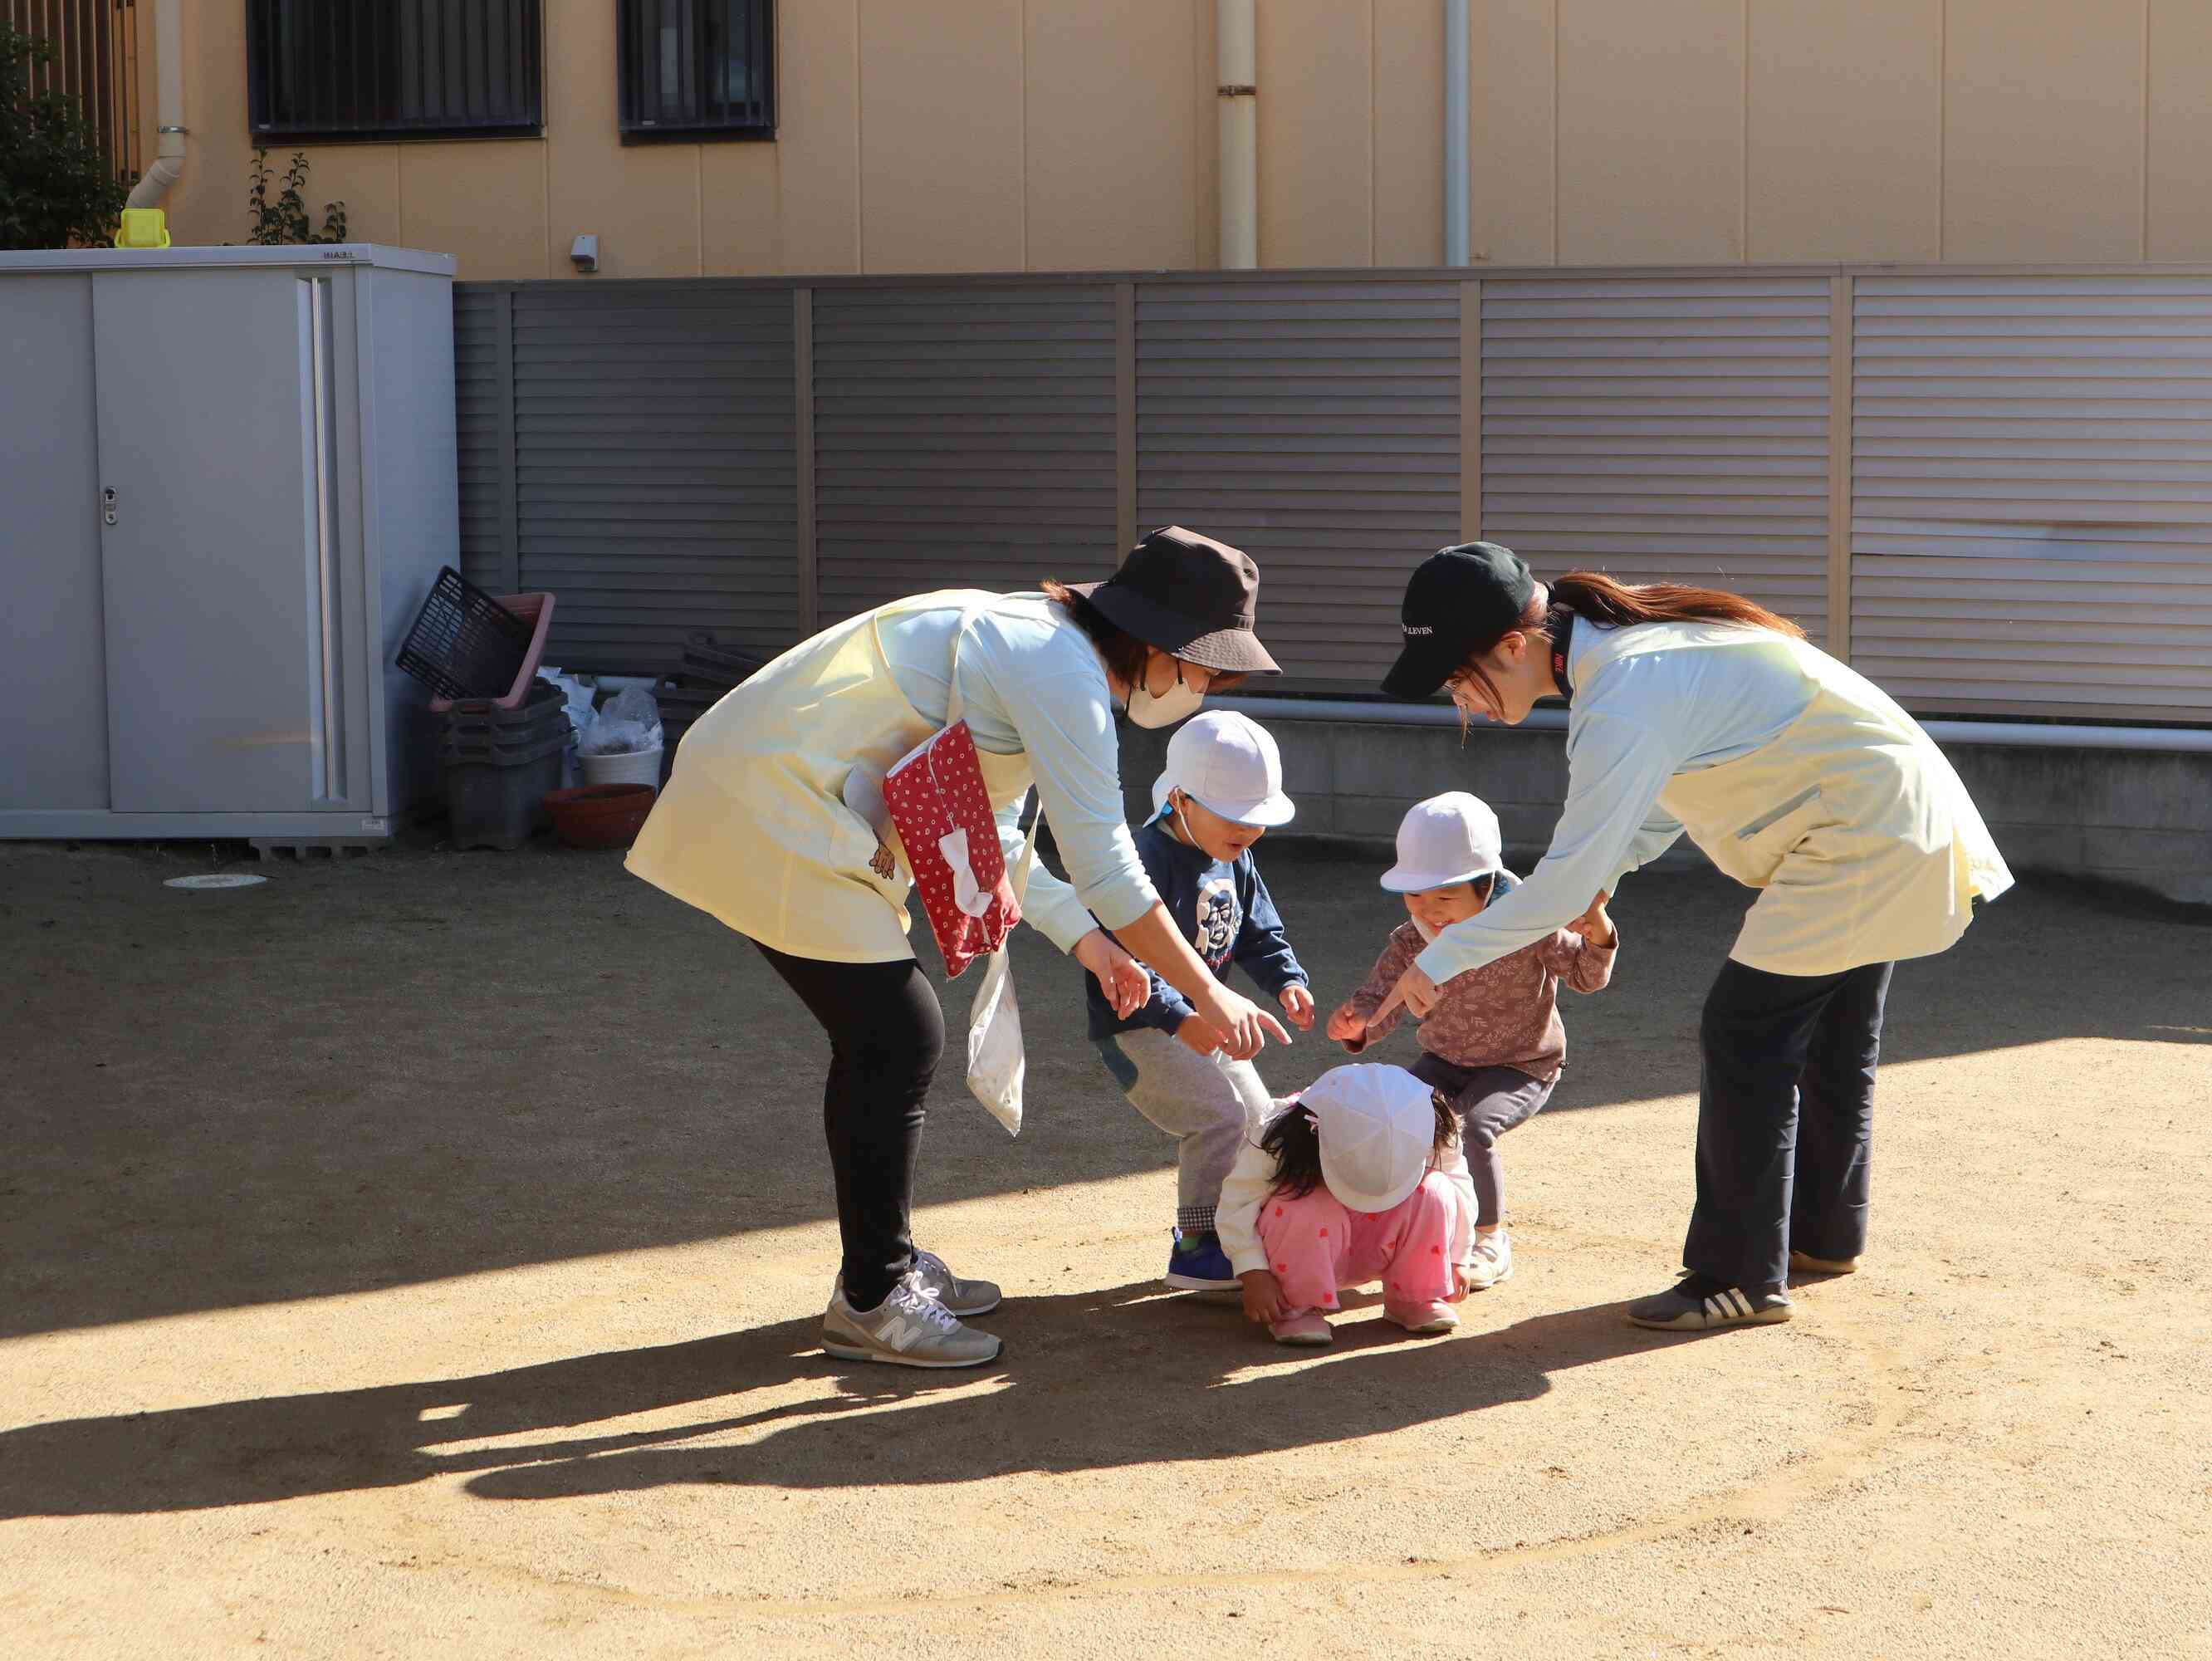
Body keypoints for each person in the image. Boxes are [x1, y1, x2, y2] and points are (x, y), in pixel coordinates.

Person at [627, 527, 1294, 1369]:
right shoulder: (1057, 666)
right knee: (896, 1036)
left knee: (890, 1036)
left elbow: (1003, 842)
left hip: (801, 807)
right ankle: (872, 1295)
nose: (1198, 690)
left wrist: (1095, 948)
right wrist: (1206, 989)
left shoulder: (1046, 649)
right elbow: (1107, 861)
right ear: (1157, 645)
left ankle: (886, 1264)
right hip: (774, 807)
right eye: (1202, 670)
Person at [1378, 542, 2013, 1332]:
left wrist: (1438, 959)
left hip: (1862, 835)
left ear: (1514, 646)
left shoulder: (1624, 689)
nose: (1456, 699)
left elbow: (1563, 882)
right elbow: (1660, 801)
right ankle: (1820, 1236)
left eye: (1455, 677)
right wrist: (1609, 873)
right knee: (1833, 1033)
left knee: (1746, 1029)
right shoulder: (1634, 660)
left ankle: (1739, 1273)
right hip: (1879, 825)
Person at [1327, 791, 1616, 1291]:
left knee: (1470, 1128)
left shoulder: (1530, 922)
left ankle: (1489, 1238)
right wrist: (1360, 1025)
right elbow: (1381, 997)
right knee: (1395, 1119)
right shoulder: (1412, 937)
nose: (1430, 911)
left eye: (1445, 897)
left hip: (1523, 1063)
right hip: (1443, 1057)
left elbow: (1586, 978)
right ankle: (1397, 1229)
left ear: (1486, 886)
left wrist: (1599, 932)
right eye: (1416, 896)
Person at [1083, 711, 1314, 1297]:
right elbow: (1125, 964)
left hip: (1207, 1017)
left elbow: (1259, 931)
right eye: (1237, 818)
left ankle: (1244, 1231)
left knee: (1262, 1124)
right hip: (1140, 1026)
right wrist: (1179, 1017)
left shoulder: (1235, 853)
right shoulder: (1139, 859)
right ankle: (1197, 1246)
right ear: (1181, 800)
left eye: (1258, 820)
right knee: (1218, 1118)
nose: (1250, 832)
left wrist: (1286, 979)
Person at [1216, 1064, 1478, 1346]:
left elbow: (1458, 1183)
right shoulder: (1282, 1135)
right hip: (1304, 1250)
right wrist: (1253, 1271)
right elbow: (1239, 1201)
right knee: (1305, 1204)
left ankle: (1413, 1296)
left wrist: (1458, 1255)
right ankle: (1297, 1305)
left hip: (1376, 1243)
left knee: (1437, 1189)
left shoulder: (1433, 1122)